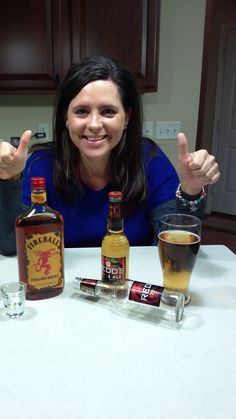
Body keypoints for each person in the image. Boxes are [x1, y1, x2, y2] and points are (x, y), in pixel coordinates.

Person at [0, 55, 220, 256]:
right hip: (62, 286)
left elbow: (175, 244)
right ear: (66, 117)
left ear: (126, 117)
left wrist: (190, 191)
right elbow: (11, 245)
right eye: (81, 111)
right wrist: (8, 180)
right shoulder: (40, 165)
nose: (94, 124)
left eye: (108, 111)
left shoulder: (150, 160)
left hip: (133, 283)